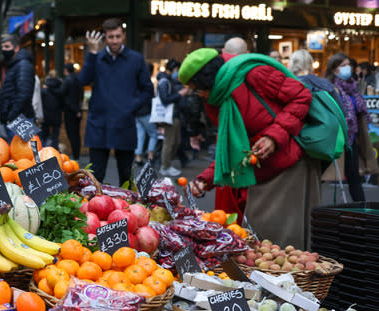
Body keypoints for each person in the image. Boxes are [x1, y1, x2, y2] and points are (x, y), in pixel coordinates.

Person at [181, 48, 317, 249]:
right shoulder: (219, 97)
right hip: (259, 173)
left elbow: (301, 96)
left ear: (207, 79)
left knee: (284, 243)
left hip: (289, 167)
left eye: (197, 88)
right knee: (262, 242)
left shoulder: (254, 74)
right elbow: (230, 147)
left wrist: (274, 135)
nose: (198, 94)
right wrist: (204, 180)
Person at [79, 18, 154, 184]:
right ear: (105, 37)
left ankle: (127, 209)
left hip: (124, 124)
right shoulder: (96, 58)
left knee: (126, 176)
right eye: (111, 36)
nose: (114, 40)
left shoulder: (136, 59)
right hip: (99, 124)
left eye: (118, 36)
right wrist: (91, 53)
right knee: (95, 177)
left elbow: (148, 90)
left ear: (124, 36)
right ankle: (93, 209)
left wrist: (131, 107)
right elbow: (83, 80)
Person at [326, 53, 367, 202]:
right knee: (327, 176)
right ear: (334, 69)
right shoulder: (330, 88)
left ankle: (362, 211)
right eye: (343, 65)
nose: (347, 68)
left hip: (352, 139)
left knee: (354, 176)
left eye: (348, 65)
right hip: (337, 138)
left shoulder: (353, 88)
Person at [0, 33, 35, 140]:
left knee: (27, 153)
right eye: (2, 47)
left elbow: (24, 93)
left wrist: (11, 116)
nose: (4, 50)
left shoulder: (23, 65)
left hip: (20, 119)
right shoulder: (14, 65)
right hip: (14, 118)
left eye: (7, 46)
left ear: (17, 48)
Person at [156, 59, 190, 176]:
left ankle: (167, 165)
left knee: (175, 142)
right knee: (169, 142)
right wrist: (179, 94)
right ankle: (165, 166)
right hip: (170, 116)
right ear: (174, 68)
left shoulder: (168, 80)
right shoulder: (165, 81)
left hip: (174, 115)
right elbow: (165, 99)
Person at [61, 62, 83, 160]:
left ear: (66, 70)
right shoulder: (78, 79)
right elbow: (81, 95)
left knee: (71, 134)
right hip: (78, 110)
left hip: (70, 111)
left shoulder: (67, 80)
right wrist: (78, 110)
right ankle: (76, 155)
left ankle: (75, 156)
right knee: (76, 135)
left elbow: (61, 93)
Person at [134, 63, 156, 164]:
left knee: (140, 135)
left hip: (137, 113)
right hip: (146, 112)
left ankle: (138, 157)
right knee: (153, 134)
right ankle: (150, 156)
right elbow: (150, 99)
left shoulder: (136, 82)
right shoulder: (147, 83)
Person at [40, 70, 63, 148]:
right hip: (57, 115)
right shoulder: (60, 87)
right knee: (55, 137)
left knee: (44, 136)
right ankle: (55, 153)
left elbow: (41, 102)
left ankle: (44, 154)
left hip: (46, 115)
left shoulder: (44, 88)